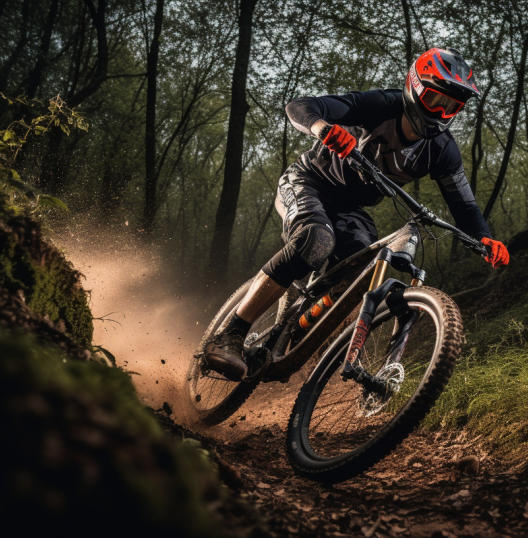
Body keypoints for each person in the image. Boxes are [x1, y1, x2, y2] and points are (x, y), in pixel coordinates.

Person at [204, 47, 510, 381]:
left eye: (453, 106)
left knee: (361, 275)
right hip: (308, 182)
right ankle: (230, 334)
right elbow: (300, 106)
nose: (441, 112)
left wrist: (487, 239)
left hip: (350, 209)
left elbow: (464, 205)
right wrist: (322, 128)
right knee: (316, 240)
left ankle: (290, 336)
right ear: (415, 87)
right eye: (436, 100)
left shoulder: (441, 149)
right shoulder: (381, 106)